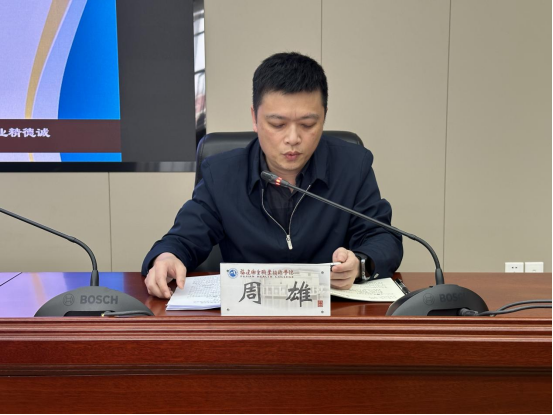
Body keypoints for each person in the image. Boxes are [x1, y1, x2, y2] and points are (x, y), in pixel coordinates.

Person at [142, 52, 403, 299]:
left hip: (330, 315)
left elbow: (382, 238)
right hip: (248, 315)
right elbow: (184, 237)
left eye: (308, 124)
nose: (293, 138)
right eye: (278, 124)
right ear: (254, 118)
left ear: (324, 117)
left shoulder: (352, 166)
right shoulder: (221, 175)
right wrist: (167, 257)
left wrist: (360, 264)